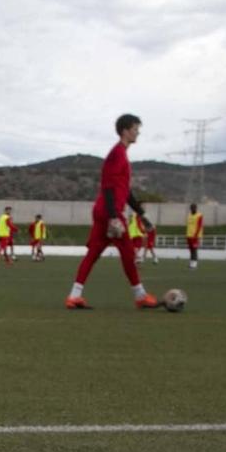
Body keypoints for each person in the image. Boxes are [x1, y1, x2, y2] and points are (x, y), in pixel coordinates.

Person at [66, 113, 161, 310]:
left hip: (105, 211)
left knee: (93, 254)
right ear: (125, 131)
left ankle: (74, 296)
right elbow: (108, 187)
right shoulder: (117, 154)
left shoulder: (121, 155)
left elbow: (124, 192)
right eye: (135, 129)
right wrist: (113, 216)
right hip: (110, 212)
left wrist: (141, 214)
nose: (138, 133)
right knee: (127, 253)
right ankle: (140, 296)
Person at [185, 203, 203, 270]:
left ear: (196, 208)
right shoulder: (189, 215)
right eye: (191, 208)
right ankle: (191, 263)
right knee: (191, 250)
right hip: (189, 235)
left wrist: (196, 235)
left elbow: (199, 226)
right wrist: (187, 235)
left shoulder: (199, 215)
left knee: (194, 250)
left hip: (195, 236)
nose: (192, 209)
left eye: (194, 208)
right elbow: (188, 226)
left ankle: (194, 265)